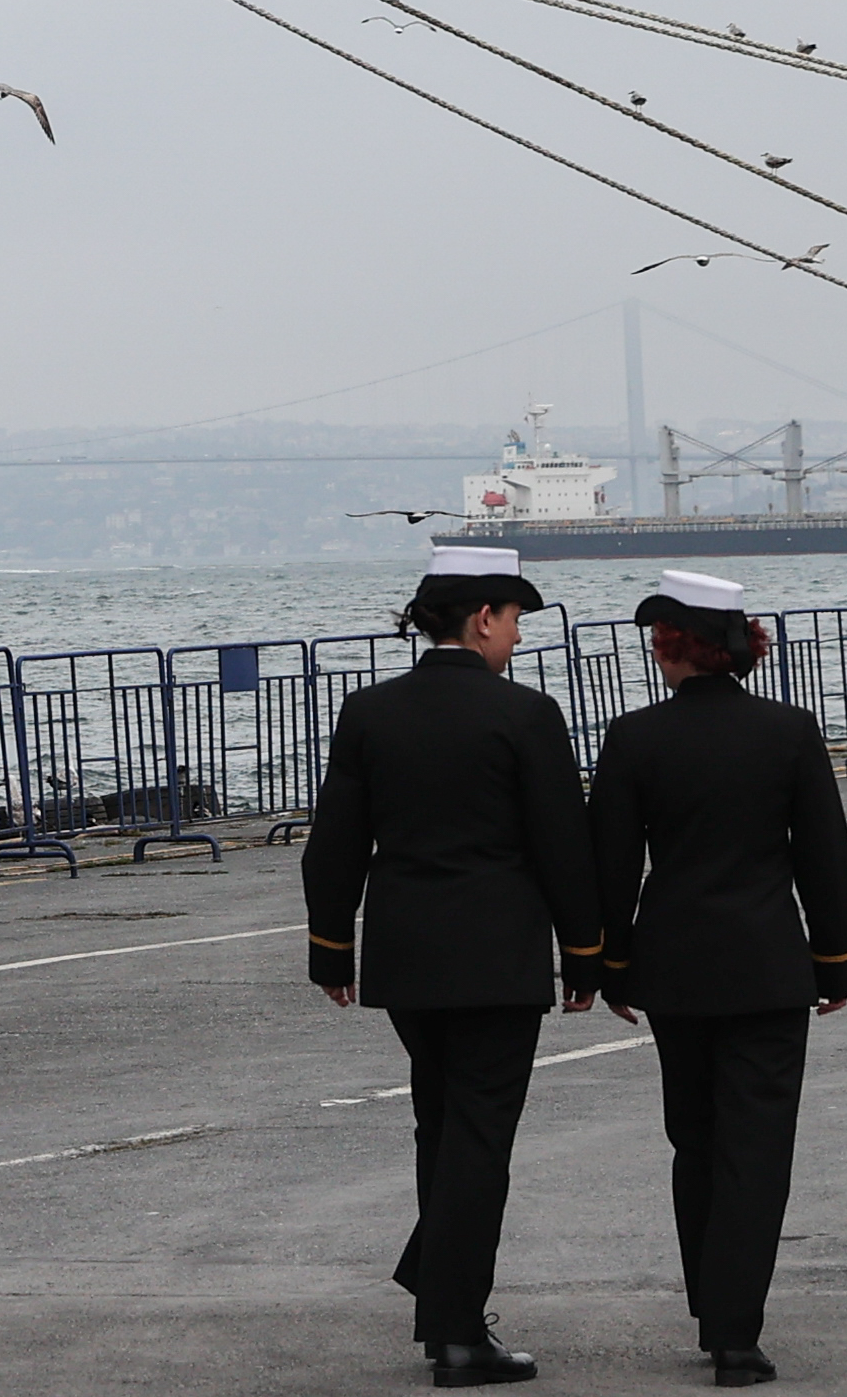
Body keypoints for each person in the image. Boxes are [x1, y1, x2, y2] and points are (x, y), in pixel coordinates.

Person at [307, 544, 604, 1388]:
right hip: (498, 959)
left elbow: (337, 843)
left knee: (440, 1128)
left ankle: (442, 1303)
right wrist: (585, 952)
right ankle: (458, 1333)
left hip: (405, 958)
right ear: (482, 618)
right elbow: (562, 846)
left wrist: (333, 944)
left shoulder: (369, 713)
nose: (514, 637)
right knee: (477, 1139)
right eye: (513, 620)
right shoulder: (526, 715)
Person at [587, 569, 847, 1390]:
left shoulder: (634, 739)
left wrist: (613, 965)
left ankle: (711, 1306)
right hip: (769, 968)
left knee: (695, 1140)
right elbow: (824, 858)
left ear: (672, 645)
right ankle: (737, 1333)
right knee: (756, 1148)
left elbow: (612, 867)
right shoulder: (790, 731)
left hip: (675, 971)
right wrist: (832, 957)